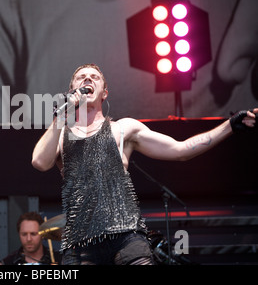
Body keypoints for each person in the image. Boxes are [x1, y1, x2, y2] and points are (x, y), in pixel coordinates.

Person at [31, 63, 257, 265]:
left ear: (104, 93)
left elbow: (181, 150)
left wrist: (229, 126)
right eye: (81, 78)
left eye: (94, 77)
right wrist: (61, 117)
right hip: (80, 243)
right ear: (72, 91)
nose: (87, 80)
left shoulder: (123, 129)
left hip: (126, 237)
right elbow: (39, 162)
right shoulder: (62, 134)